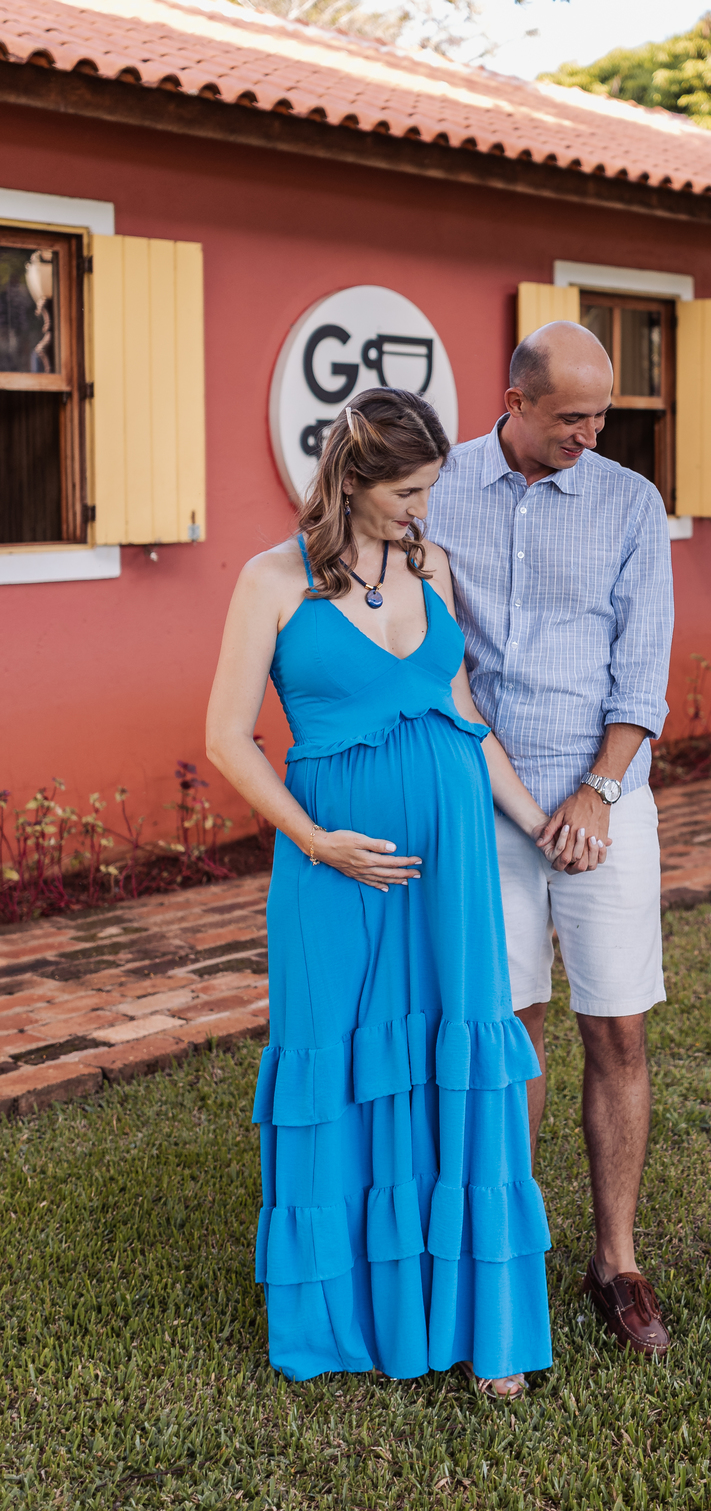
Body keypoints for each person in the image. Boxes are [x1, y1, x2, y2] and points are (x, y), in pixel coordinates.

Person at [206, 387, 554, 1398]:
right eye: (407, 492)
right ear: (351, 482)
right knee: (339, 1059)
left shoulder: (429, 565)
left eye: (431, 490)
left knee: (461, 1052)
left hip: (451, 864)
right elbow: (227, 737)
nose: (423, 511)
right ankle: (341, 1321)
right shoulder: (271, 581)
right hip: (333, 867)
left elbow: (459, 708)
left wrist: (533, 820)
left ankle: (480, 1325)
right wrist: (317, 842)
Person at [424, 320, 674, 1356]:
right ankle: (514, 1253)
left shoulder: (628, 502)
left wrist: (598, 792)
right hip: (485, 803)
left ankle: (614, 1260)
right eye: (573, 416)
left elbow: (642, 668)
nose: (593, 432)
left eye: (603, 414)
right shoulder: (438, 491)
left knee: (615, 1028)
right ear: (515, 400)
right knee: (511, 1028)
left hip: (605, 802)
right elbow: (438, 656)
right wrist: (526, 802)